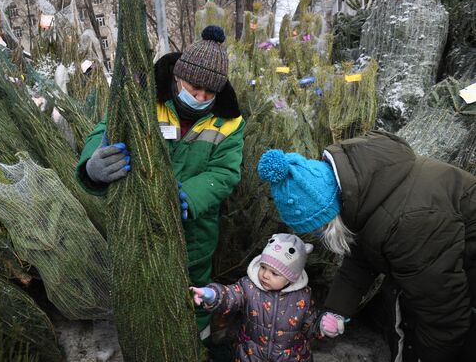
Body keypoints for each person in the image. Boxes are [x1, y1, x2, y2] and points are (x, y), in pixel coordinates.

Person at [75, 25, 245, 352]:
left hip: (194, 229)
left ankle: (196, 346)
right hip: (138, 221)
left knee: (193, 290)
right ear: (179, 77)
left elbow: (224, 173)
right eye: (194, 88)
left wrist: (188, 197)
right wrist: (93, 165)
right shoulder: (145, 98)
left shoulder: (229, 121)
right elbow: (105, 130)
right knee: (141, 285)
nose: (201, 98)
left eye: (210, 93)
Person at [256, 130, 476, 362]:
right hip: (439, 267)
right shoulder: (363, 191)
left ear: (329, 214)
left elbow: (442, 312)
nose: (319, 234)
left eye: (319, 226)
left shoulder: (407, 225)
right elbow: (361, 255)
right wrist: (337, 309)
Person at [191, 233, 344, 362]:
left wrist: (322, 326)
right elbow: (230, 296)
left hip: (291, 357)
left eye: (274, 273)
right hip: (250, 355)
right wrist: (212, 295)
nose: (265, 275)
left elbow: (310, 324)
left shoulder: (303, 297)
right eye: (263, 267)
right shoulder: (248, 286)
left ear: (291, 278)